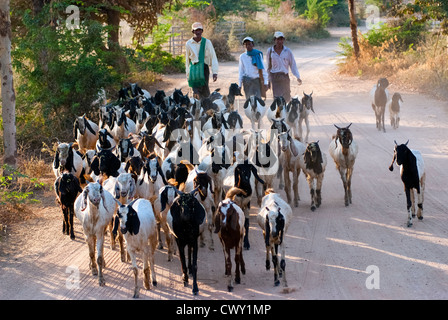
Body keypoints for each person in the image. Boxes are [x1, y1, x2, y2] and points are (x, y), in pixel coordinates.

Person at [185, 22, 219, 99]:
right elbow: (187, 60)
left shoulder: (207, 42)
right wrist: (188, 74)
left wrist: (215, 72)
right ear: (193, 31)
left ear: (202, 31)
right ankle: (197, 109)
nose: (198, 32)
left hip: (204, 69)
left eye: (199, 30)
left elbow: (213, 57)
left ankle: (206, 108)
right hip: (194, 70)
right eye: (196, 30)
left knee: (205, 90)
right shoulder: (188, 44)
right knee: (196, 92)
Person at [266, 31, 302, 102]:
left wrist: (297, 77)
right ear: (274, 40)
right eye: (278, 39)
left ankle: (286, 113)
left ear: (284, 40)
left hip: (285, 77)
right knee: (277, 100)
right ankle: (278, 113)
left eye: (281, 39)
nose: (280, 41)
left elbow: (293, 65)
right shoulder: (270, 51)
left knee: (287, 99)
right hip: (275, 78)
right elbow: (268, 67)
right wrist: (268, 80)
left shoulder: (287, 51)